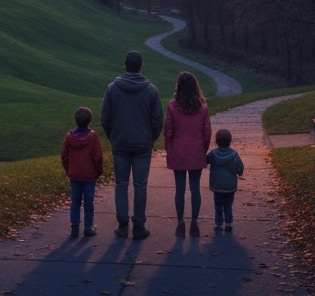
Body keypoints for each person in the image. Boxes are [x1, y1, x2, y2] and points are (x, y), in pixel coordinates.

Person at [100, 50, 164, 239]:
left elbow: (105, 118)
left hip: (120, 142)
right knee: (140, 185)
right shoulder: (151, 91)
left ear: (125, 65)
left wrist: (114, 136)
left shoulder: (112, 89)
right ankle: (139, 225)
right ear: (141, 66)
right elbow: (157, 120)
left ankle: (122, 224)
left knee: (121, 183)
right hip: (142, 144)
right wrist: (150, 139)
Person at [164, 71, 211, 237]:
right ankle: (194, 222)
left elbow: (168, 131)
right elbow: (207, 132)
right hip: (196, 149)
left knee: (180, 190)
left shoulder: (172, 106)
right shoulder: (203, 108)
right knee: (195, 188)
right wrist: (203, 150)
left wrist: (169, 150)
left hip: (178, 150)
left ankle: (180, 222)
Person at [60, 106, 104, 239]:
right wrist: (99, 170)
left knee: (75, 202)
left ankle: (74, 228)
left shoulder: (69, 137)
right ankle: (88, 227)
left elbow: (64, 155)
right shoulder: (93, 137)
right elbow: (97, 156)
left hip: (74, 175)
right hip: (89, 175)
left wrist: (69, 169)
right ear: (90, 121)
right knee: (88, 203)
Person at [206, 128, 245, 231]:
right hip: (230, 186)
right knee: (228, 205)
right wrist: (240, 172)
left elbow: (205, 161)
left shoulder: (213, 154)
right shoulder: (234, 155)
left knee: (218, 205)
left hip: (217, 185)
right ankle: (228, 223)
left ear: (216, 141)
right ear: (230, 140)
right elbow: (239, 167)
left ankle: (218, 224)